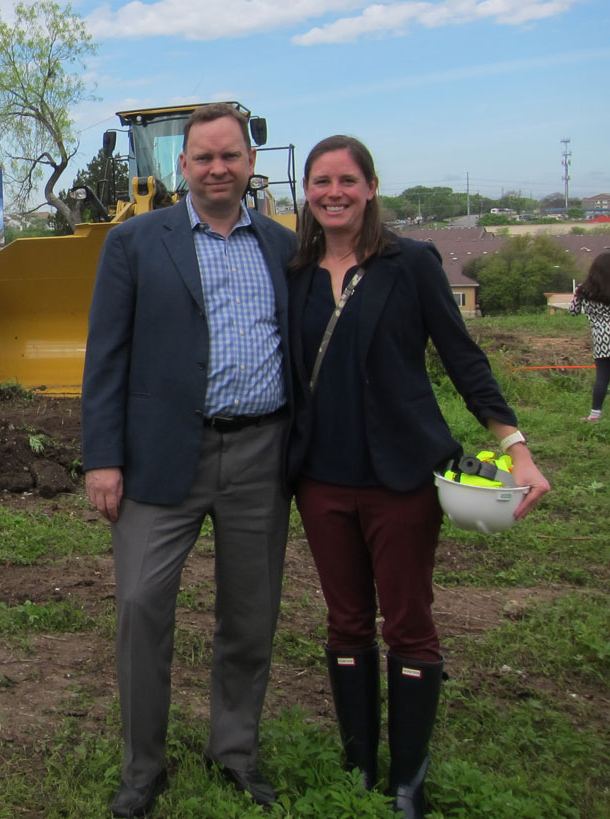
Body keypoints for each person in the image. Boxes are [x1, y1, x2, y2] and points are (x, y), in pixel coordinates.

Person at [286, 135, 550, 818]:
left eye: (347, 179)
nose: (333, 192)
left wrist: (515, 445)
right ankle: (360, 767)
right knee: (345, 620)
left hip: (401, 476)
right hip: (320, 477)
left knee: (408, 622)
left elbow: (463, 358)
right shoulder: (295, 269)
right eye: (321, 181)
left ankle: (409, 779)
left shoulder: (412, 263)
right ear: (305, 191)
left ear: (372, 187)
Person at [81, 103, 298, 816]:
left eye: (229, 156)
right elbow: (106, 358)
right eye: (203, 157)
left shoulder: (281, 243)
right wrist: (102, 458)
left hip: (261, 451)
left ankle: (234, 749)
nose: (216, 168)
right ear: (182, 166)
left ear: (250, 163)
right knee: (142, 606)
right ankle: (144, 766)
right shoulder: (136, 242)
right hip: (159, 457)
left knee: (251, 611)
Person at [569, 252, 610, 421]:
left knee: (602, 377)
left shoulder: (584, 290)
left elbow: (573, 311)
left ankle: (595, 414)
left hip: (601, 338)